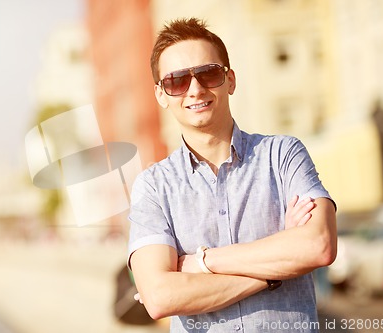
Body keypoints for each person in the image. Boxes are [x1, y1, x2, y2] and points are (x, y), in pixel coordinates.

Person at [127, 17, 337, 333]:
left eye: (208, 74)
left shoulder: (282, 155)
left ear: (231, 80)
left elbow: (318, 245)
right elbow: (158, 297)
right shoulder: (153, 187)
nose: (195, 89)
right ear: (161, 95)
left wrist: (203, 263)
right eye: (177, 81)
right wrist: (275, 271)